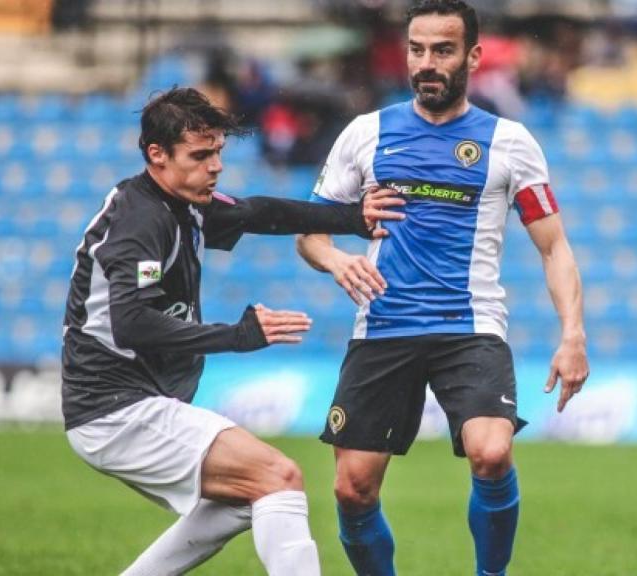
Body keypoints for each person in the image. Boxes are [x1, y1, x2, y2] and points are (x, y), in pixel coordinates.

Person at [296, 2, 590, 575]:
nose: (427, 63)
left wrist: (572, 334)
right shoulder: (366, 133)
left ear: (473, 56)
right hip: (384, 325)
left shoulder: (509, 142)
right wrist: (335, 259)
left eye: (443, 50)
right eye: (417, 49)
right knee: (352, 490)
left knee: (492, 450)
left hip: (470, 326)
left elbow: (554, 246)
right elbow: (310, 233)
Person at [62, 87, 404, 576]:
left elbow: (257, 212)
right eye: (200, 156)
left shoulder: (183, 202)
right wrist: (238, 335)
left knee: (250, 498)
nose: (215, 166)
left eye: (217, 152)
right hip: (114, 406)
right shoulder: (140, 223)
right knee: (278, 476)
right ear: (156, 156)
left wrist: (351, 217)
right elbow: (133, 323)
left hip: (130, 403)